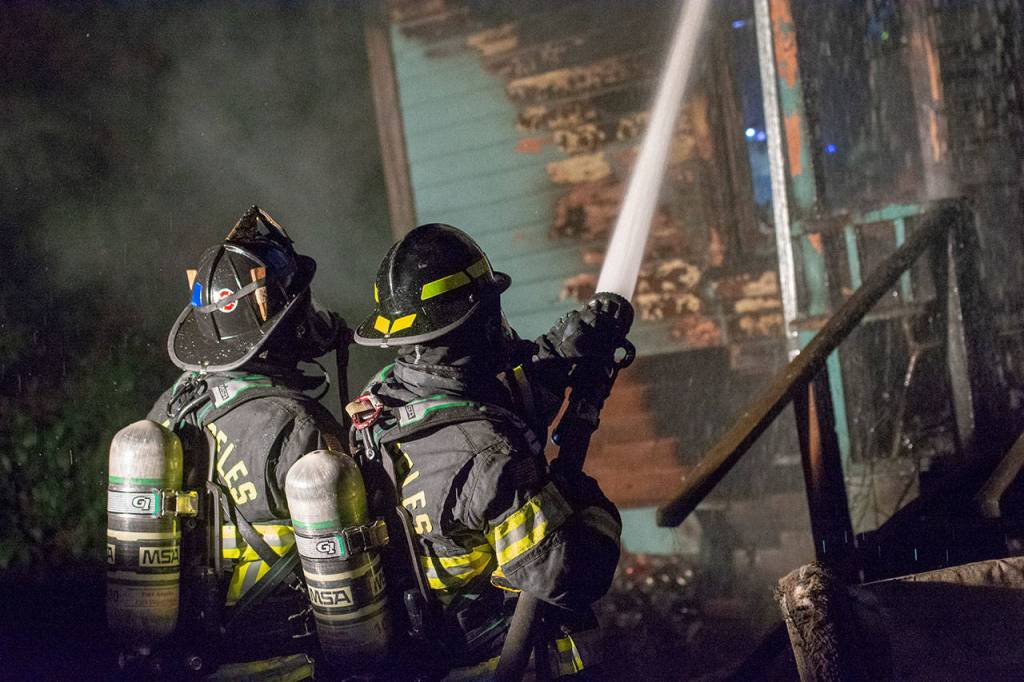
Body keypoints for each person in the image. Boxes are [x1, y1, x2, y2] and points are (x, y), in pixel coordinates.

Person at [348, 223, 630, 678]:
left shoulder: (386, 398)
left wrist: (562, 352)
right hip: (499, 659)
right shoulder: (487, 452)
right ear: (476, 320)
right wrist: (587, 504)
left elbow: (480, 400)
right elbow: (569, 576)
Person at [136, 206, 348, 674]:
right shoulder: (298, 425)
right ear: (280, 317)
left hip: (192, 663)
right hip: (288, 663)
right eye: (301, 305)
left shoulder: (170, 409)